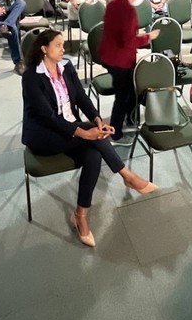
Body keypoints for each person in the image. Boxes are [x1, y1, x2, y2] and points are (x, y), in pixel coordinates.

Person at [21, 29, 156, 247]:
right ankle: (127, 175)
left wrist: (97, 120)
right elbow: (47, 118)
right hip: (44, 136)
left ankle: (80, 215)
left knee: (93, 153)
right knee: (93, 139)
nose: (63, 49)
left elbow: (82, 97)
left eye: (63, 44)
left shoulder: (66, 66)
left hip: (71, 128)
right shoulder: (31, 77)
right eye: (58, 45)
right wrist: (85, 132)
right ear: (44, 49)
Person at [99, 0, 161, 142]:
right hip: (120, 60)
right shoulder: (128, 11)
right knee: (123, 96)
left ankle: (131, 118)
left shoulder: (114, 1)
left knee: (131, 89)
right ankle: (116, 131)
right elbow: (128, 41)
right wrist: (148, 37)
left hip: (108, 54)